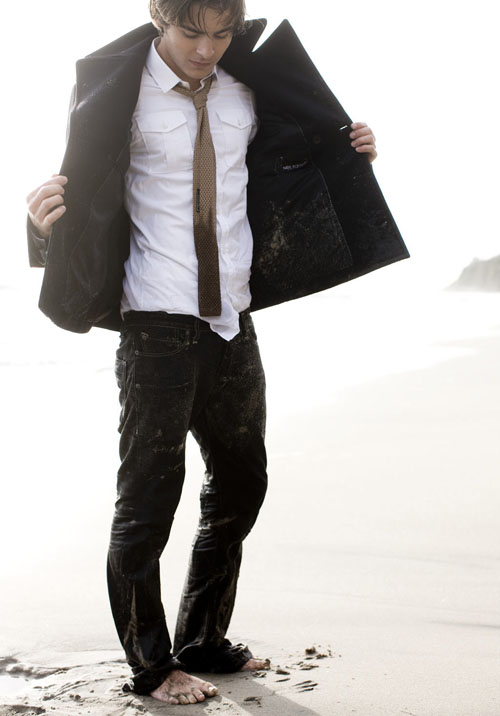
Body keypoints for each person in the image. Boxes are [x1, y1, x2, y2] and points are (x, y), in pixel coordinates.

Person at [26, 0, 402, 706]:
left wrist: (353, 156)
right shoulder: (116, 92)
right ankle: (151, 666)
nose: (207, 49)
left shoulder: (248, 86)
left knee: (241, 484)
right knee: (147, 504)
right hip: (155, 325)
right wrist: (40, 228)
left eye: (222, 33)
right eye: (191, 32)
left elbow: (296, 164)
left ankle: (201, 638)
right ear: (159, 17)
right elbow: (81, 199)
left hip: (231, 320)